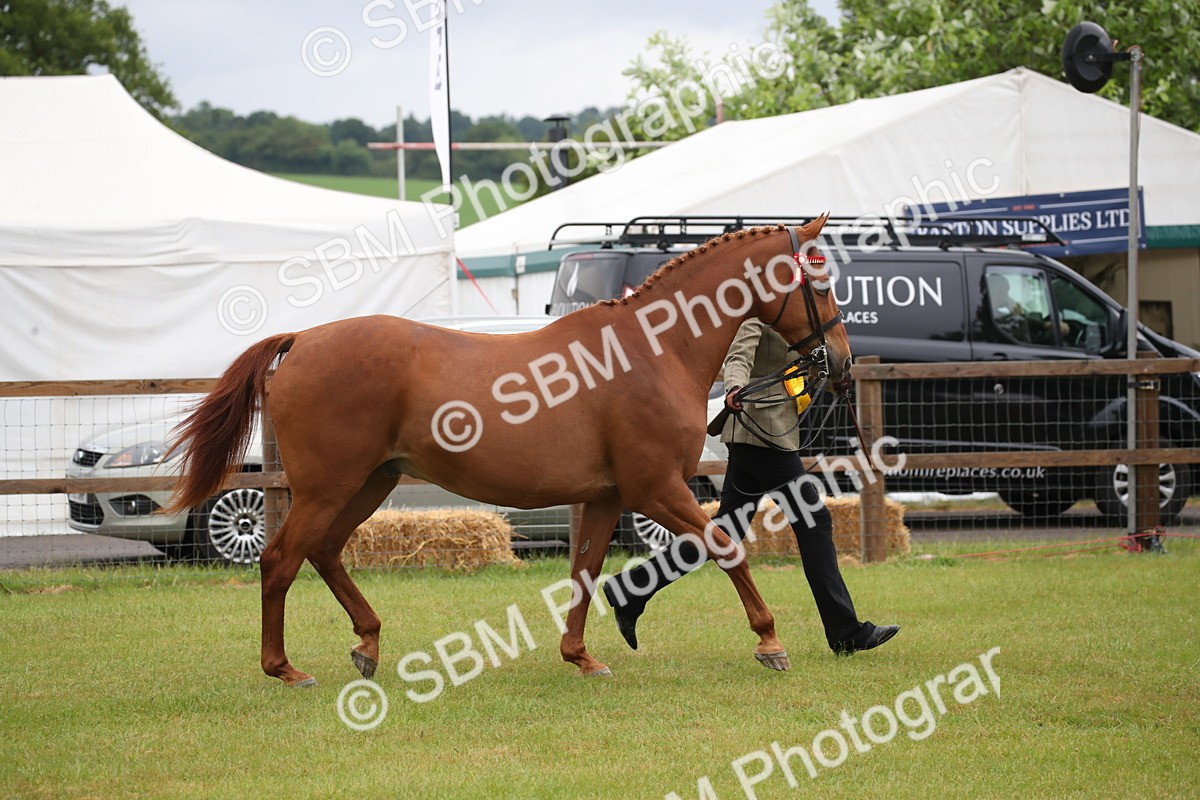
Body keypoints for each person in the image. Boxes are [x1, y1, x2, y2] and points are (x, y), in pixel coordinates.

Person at [602, 318, 900, 656]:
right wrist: (733, 389)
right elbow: (738, 357)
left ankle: (632, 589)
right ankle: (845, 631)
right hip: (758, 428)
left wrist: (834, 377)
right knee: (814, 520)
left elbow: (808, 362)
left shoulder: (797, 314)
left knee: (724, 531)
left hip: (772, 430)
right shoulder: (758, 313)